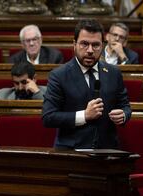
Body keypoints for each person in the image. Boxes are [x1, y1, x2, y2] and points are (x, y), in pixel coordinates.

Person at [42, 19, 131, 150]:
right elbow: (48, 117)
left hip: (107, 152)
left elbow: (125, 106)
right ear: (74, 44)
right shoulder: (59, 75)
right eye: (84, 44)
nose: (90, 50)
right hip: (71, 153)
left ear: (102, 45)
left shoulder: (113, 73)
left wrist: (123, 115)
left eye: (95, 45)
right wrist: (84, 115)